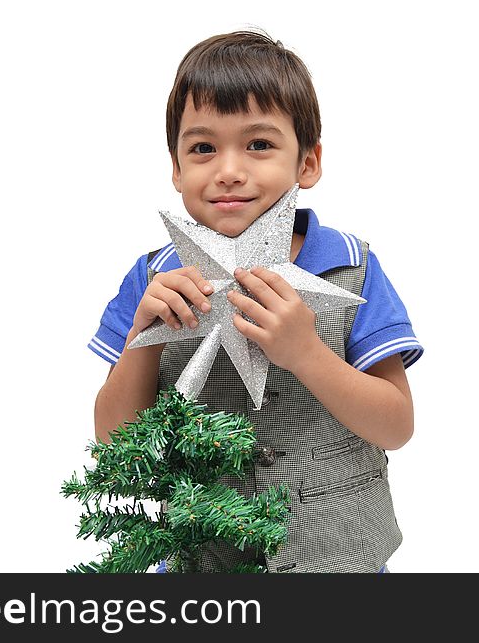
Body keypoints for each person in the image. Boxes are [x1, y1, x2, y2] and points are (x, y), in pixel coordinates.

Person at [88, 30, 423, 573]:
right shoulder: (154, 277)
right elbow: (114, 442)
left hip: (339, 562)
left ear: (308, 163)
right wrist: (143, 341)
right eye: (202, 148)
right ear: (175, 168)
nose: (228, 170)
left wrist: (306, 354)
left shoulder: (350, 267)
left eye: (259, 144)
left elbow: (396, 426)